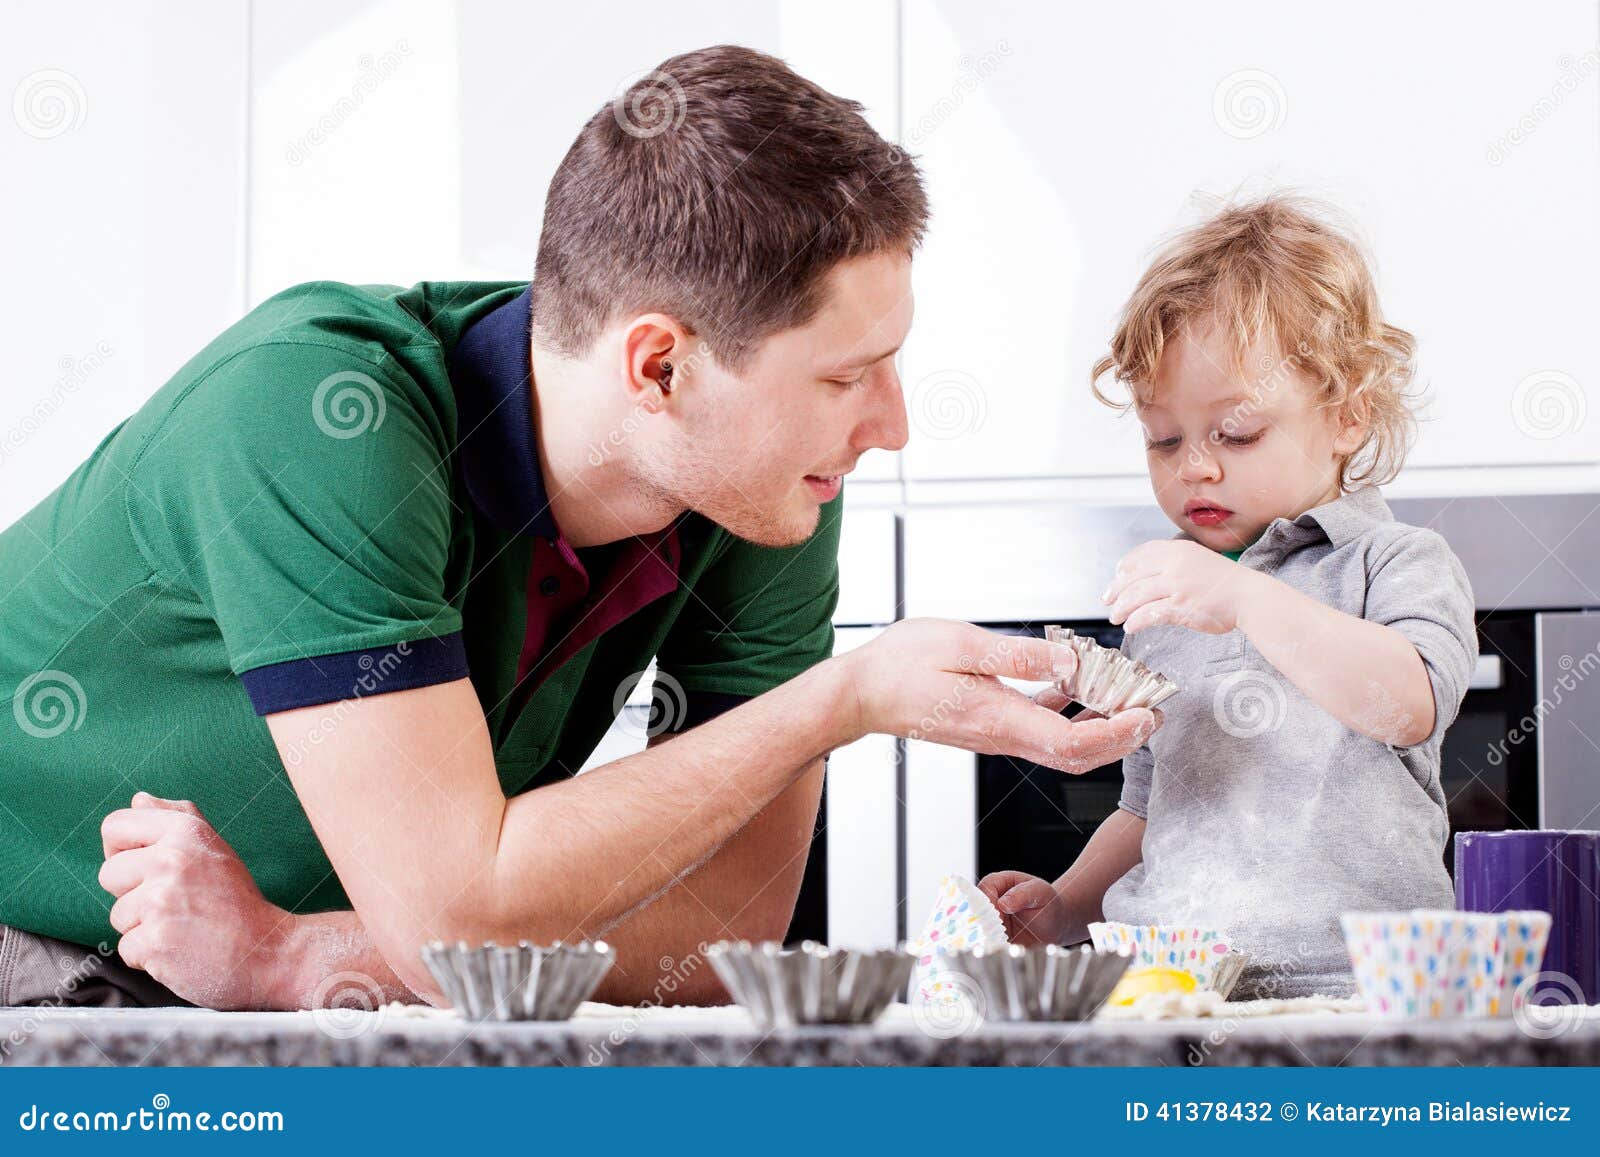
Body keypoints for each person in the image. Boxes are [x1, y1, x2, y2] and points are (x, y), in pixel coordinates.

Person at [0, 46, 1157, 1010]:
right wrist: (838, 699)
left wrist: (300, 955)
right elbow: (459, 921)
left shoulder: (762, 485)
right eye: (846, 375)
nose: (891, 425)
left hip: (259, 965)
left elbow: (722, 941)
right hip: (36, 943)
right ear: (659, 366)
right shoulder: (310, 416)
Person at [980, 196, 1477, 998]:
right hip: (1170, 986)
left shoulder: (1393, 562)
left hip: (1354, 990)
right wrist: (1066, 905)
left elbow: (1408, 705)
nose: (1195, 467)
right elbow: (1148, 811)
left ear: (1348, 415)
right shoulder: (1171, 604)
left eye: (1237, 432)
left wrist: (1245, 598)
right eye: (1164, 438)